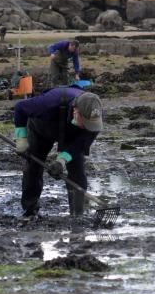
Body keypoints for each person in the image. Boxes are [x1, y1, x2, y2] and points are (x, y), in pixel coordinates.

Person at [13, 87, 104, 218]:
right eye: (85, 122)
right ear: (76, 111)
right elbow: (20, 108)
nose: (88, 126)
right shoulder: (48, 103)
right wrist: (21, 139)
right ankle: (30, 208)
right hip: (42, 128)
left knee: (77, 171)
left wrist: (61, 160)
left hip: (72, 136)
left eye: (91, 124)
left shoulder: (95, 117)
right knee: (33, 165)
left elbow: (80, 144)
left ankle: (77, 214)